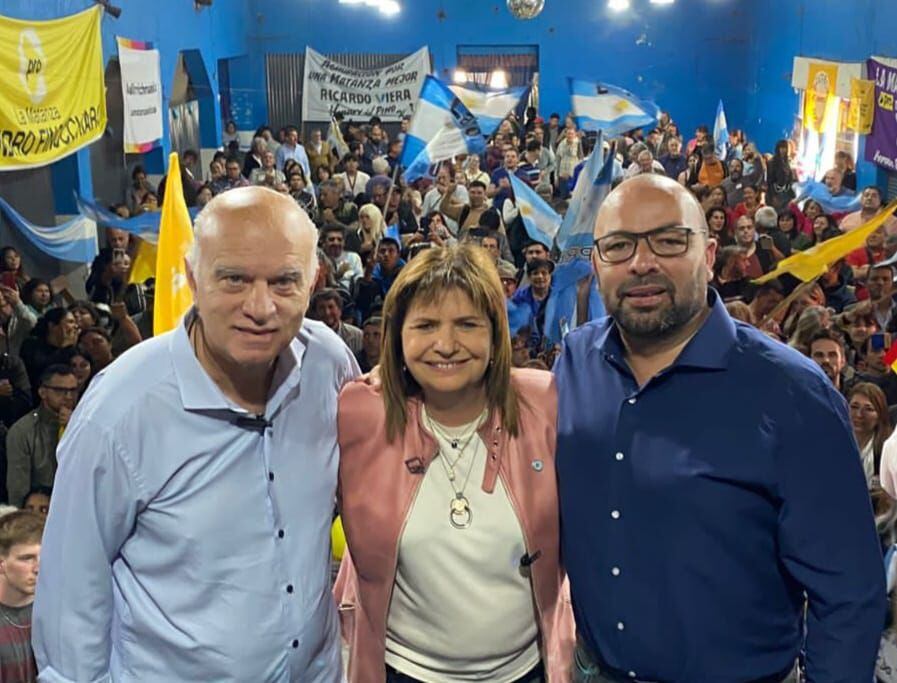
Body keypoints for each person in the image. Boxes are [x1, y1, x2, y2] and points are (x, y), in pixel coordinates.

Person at [555, 173, 884, 682]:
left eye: (668, 241)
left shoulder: (795, 394)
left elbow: (847, 595)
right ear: (596, 263)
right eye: (618, 246)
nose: (642, 263)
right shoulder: (574, 362)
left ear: (709, 255)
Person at [33, 186, 358, 681]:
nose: (260, 307)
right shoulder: (119, 412)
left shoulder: (329, 365)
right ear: (192, 277)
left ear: (313, 282)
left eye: (284, 282)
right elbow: (70, 599)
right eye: (234, 279)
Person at [334, 243, 573, 682]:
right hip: (403, 670)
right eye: (425, 325)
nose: (446, 345)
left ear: (496, 334)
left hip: (526, 671)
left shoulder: (544, 403)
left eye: (467, 325)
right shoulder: (359, 413)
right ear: (397, 336)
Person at [6, 364, 76, 507]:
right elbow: (18, 490)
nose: (68, 396)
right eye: (60, 391)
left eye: (73, 390)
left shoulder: (85, 426)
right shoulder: (23, 431)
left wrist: (75, 427)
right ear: (43, 392)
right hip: (38, 511)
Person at [0, 511, 44, 683]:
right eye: (27, 558)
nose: (38, 568)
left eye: (43, 556)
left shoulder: (57, 612)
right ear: (1, 564)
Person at [847, 382, 892, 488]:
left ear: (880, 415)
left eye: (868, 409)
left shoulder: (887, 452)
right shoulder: (833, 444)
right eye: (854, 407)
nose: (859, 414)